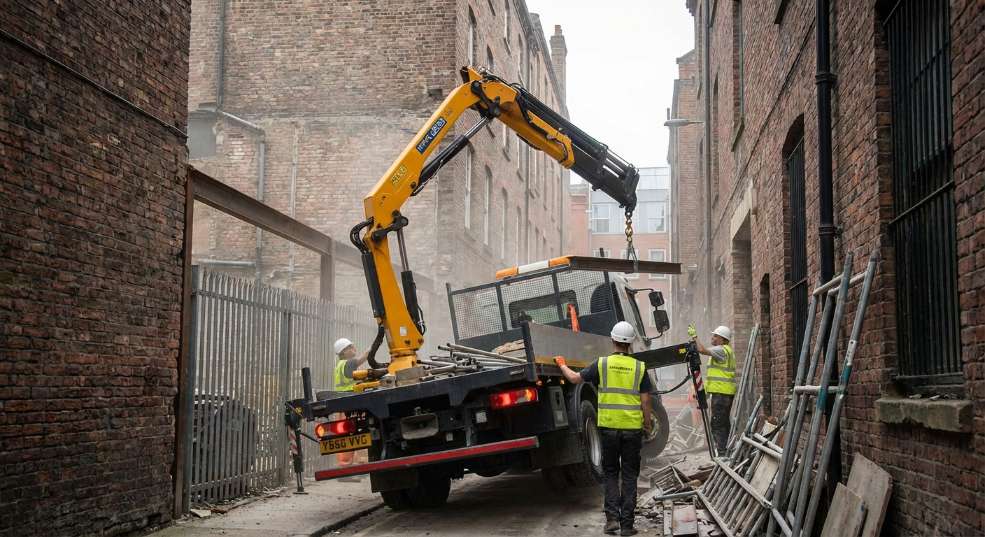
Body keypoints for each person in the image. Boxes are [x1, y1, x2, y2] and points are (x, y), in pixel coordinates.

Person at [554, 321, 652, 537]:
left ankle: (611, 521)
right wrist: (647, 425)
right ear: (631, 343)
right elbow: (646, 403)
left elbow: (573, 378)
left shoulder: (602, 364)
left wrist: (561, 364)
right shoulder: (639, 367)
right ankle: (627, 526)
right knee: (629, 475)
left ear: (613, 339)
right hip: (632, 430)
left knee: (610, 473)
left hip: (608, 429)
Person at [688, 324, 736, 454]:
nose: (713, 337)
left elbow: (701, 349)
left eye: (715, 336)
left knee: (717, 424)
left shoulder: (722, 350)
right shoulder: (724, 351)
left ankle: (721, 452)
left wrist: (694, 337)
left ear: (722, 339)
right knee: (723, 422)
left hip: (721, 394)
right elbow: (716, 376)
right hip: (723, 393)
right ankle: (725, 450)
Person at [331, 338, 370, 475]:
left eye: (353, 346)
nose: (353, 349)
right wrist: (372, 348)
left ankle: (345, 465)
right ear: (342, 353)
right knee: (361, 431)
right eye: (350, 348)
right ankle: (363, 464)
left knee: (345, 435)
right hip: (352, 404)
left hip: (343, 404)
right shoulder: (347, 364)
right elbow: (361, 360)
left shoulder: (340, 365)